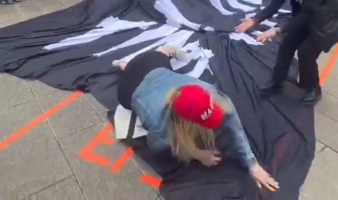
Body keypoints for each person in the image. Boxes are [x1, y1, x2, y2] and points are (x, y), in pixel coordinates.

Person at [115, 46, 279, 192]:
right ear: (185, 124)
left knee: (162, 53)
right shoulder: (160, 128)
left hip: (156, 67)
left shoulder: (213, 95)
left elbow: (234, 125)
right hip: (132, 89)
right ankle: (125, 65)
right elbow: (158, 146)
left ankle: (163, 51)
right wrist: (197, 154)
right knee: (128, 69)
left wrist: (253, 166)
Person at [235, 0, 338, 104]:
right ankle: (276, 83)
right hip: (308, 18)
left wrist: (277, 29)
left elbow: (306, 16)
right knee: (287, 44)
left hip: (328, 24)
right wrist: (255, 20)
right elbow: (276, 3)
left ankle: (314, 89)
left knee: (306, 53)